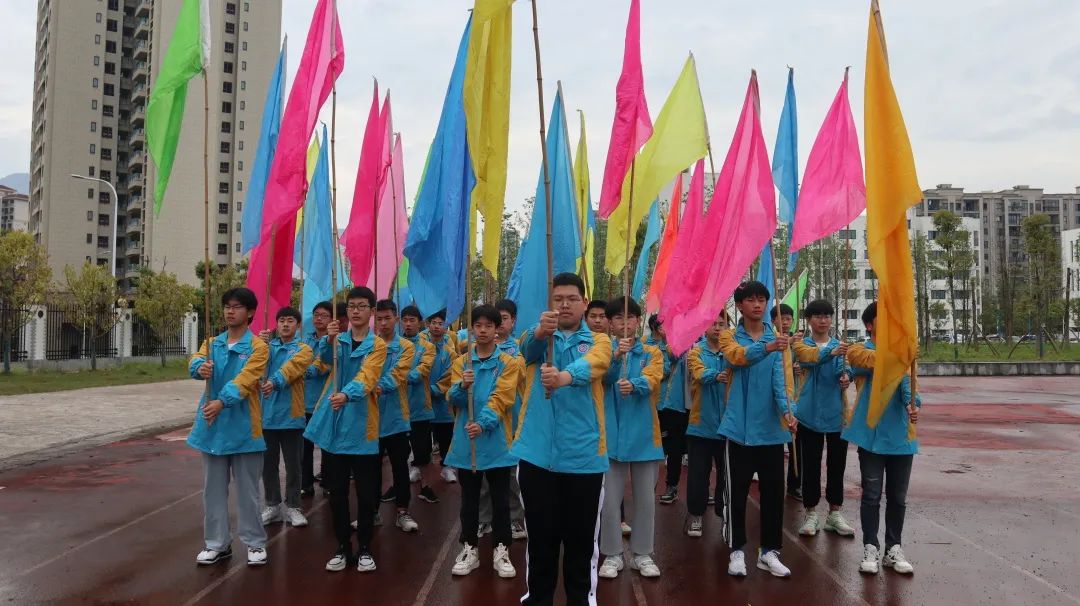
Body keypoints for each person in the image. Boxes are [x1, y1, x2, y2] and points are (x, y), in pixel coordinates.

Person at [511, 272, 612, 606]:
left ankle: (581, 600)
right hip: (537, 456)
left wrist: (564, 377)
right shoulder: (538, 337)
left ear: (584, 303)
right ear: (549, 303)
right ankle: (538, 599)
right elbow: (526, 350)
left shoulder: (599, 341)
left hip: (584, 458)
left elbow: (597, 363)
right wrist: (542, 331)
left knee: (581, 544)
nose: (565, 304)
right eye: (558, 299)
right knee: (541, 540)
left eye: (572, 299)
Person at [304, 287, 387, 572]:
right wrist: (328, 339)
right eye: (351, 306)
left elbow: (368, 376)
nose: (356, 311)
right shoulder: (338, 339)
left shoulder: (377, 346)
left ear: (371, 311)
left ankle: (364, 547)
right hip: (335, 426)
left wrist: (347, 394)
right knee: (336, 492)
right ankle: (342, 545)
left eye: (362, 306)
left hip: (362, 426)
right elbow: (326, 360)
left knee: (365, 494)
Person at [719, 281, 797, 578]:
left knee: (774, 494)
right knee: (736, 494)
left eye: (762, 299)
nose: (757, 304)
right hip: (738, 430)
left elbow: (781, 380)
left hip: (771, 431)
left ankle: (770, 552)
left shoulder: (777, 339)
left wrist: (788, 412)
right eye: (750, 299)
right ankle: (736, 549)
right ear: (739, 305)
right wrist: (767, 347)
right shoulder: (729, 336)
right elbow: (737, 358)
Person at [188, 287, 270, 567]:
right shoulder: (213, 343)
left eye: (236, 307)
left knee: (248, 491)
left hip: (244, 427)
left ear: (250, 312)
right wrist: (199, 368)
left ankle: (255, 542)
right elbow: (195, 359)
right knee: (212, 490)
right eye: (226, 306)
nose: (230, 311)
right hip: (212, 427)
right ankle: (217, 543)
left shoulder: (258, 347)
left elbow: (246, 380)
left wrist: (222, 401)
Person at [443, 304, 523, 579]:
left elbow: (503, 397)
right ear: (472, 329)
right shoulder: (461, 363)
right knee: (469, 500)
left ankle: (502, 549)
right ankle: (470, 548)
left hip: (496, 441)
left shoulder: (508, 363)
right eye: (478, 325)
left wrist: (484, 422)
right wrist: (461, 386)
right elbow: (452, 399)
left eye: (489, 325)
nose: (484, 330)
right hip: (467, 442)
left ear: (497, 329)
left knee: (501, 499)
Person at [844, 301, 921, 576]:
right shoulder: (860, 350)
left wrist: (913, 404)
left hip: (900, 435)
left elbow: (908, 385)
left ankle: (893, 547)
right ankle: (870, 547)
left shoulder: (903, 355)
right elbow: (863, 362)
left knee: (898, 497)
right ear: (869, 325)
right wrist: (900, 355)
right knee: (872, 495)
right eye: (882, 318)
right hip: (872, 435)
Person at [597, 297, 664, 579]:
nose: (625, 323)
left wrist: (635, 384)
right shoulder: (603, 350)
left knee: (646, 500)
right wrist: (615, 358)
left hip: (644, 435)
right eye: (618, 318)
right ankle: (612, 554)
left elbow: (654, 378)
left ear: (638, 321)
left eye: (630, 318)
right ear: (610, 324)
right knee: (610, 502)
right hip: (610, 437)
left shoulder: (651, 352)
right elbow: (601, 378)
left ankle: (642, 554)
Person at [791, 299, 855, 538]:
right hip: (808, 413)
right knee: (810, 465)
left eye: (827, 315)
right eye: (818, 316)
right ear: (809, 320)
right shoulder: (801, 345)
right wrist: (831, 352)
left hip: (837, 414)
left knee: (837, 465)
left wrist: (846, 376)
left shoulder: (840, 346)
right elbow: (809, 358)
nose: (823, 320)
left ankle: (835, 512)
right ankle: (810, 512)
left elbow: (845, 368)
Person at [257, 306, 314, 528]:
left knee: (294, 465)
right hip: (266, 416)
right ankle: (272, 505)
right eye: (281, 320)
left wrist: (275, 381)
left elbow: (292, 368)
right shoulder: (266, 347)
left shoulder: (304, 349)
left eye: (290, 320)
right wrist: (258, 346)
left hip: (292, 416)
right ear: (276, 324)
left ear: (298, 325)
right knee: (267, 465)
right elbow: (254, 368)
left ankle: (293, 506)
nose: (285, 324)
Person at [477, 298, 527, 540]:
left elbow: (522, 379)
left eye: (503, 319)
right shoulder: (476, 350)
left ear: (513, 321)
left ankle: (515, 519)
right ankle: (483, 519)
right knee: (483, 473)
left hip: (511, 419)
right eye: (492, 320)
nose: (498, 324)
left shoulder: (518, 350)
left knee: (510, 474)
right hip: (483, 419)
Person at [373, 299, 420, 533]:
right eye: (379, 319)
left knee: (399, 467)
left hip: (396, 418)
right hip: (371, 418)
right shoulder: (369, 344)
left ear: (396, 319)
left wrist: (376, 386)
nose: (383, 323)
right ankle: (371, 512)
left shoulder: (406, 347)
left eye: (387, 318)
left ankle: (403, 512)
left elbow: (399, 373)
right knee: (370, 469)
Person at [684, 311, 731, 539]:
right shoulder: (695, 352)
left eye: (722, 324)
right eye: (714, 324)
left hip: (728, 426)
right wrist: (717, 375)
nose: (718, 328)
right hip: (701, 425)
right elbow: (699, 373)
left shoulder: (732, 352)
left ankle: (724, 515)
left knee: (726, 475)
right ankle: (696, 515)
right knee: (698, 475)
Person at [400, 305, 440, 504]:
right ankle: (398, 488)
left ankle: (426, 487)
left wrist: (397, 377)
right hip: (396, 410)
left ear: (420, 323)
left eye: (412, 320)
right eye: (405, 320)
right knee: (398, 455)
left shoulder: (428, 347)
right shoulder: (393, 345)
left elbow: (422, 370)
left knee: (423, 453)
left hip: (419, 409)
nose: (408, 324)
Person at [649, 315, 685, 506]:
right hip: (651, 403)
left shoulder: (676, 343)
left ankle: (672, 486)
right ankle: (648, 487)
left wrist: (667, 339)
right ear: (654, 326)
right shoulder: (645, 345)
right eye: (661, 324)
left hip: (673, 404)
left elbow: (673, 358)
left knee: (674, 448)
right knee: (653, 447)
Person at [300, 301, 333, 497]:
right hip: (304, 401)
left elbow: (324, 365)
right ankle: (306, 483)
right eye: (316, 315)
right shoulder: (304, 341)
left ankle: (328, 482)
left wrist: (303, 370)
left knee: (327, 445)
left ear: (332, 319)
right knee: (304, 447)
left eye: (324, 315)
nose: (319, 318)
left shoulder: (335, 342)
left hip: (325, 401)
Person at [771, 303, 802, 502]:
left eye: (789, 318)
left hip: (793, 397)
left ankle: (794, 484)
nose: (785, 322)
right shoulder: (769, 340)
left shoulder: (797, 343)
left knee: (795, 444)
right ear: (773, 320)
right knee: (773, 445)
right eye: (781, 318)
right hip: (775, 400)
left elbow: (805, 360)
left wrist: (800, 366)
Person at [425, 309, 458, 484]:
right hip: (421, 403)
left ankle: (447, 467)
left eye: (441, 323)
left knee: (445, 437)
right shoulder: (420, 348)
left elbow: (450, 376)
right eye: (434, 323)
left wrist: (433, 390)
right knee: (421, 438)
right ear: (428, 325)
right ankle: (418, 467)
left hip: (443, 404)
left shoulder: (450, 352)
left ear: (446, 327)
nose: (437, 326)